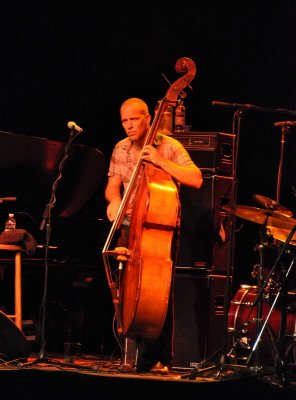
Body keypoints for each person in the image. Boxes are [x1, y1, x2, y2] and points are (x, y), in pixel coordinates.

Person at [105, 97, 203, 374]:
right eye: (124, 120)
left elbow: (195, 178)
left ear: (148, 117)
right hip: (127, 225)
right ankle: (129, 355)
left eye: (134, 119)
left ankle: (158, 357)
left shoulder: (169, 146)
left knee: (156, 293)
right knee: (126, 286)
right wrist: (113, 201)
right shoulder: (120, 148)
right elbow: (112, 186)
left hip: (158, 227)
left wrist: (161, 161)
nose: (128, 125)